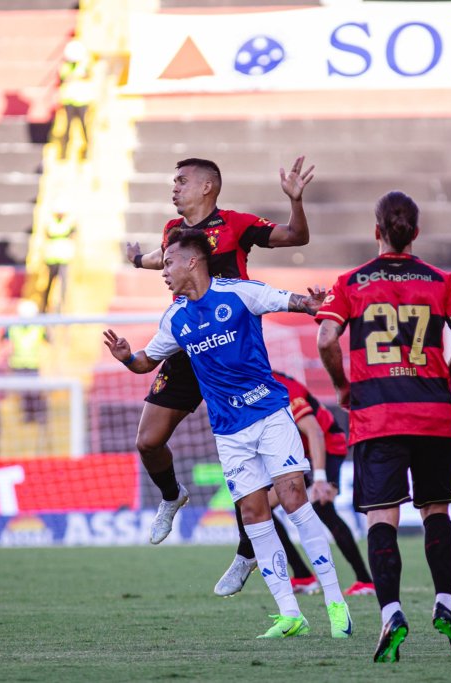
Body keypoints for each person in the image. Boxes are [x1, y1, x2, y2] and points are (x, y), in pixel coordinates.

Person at [103, 228, 351, 640]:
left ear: (192, 262)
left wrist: (313, 304)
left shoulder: (238, 293)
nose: (163, 272)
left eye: (168, 263)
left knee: (292, 496)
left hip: (269, 413)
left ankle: (334, 601)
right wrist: (127, 356)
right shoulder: (176, 318)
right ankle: (290, 614)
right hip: (229, 432)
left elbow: (290, 300)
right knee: (254, 513)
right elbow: (147, 361)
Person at [316, 190, 451, 663]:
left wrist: (343, 386)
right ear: (416, 233)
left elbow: (327, 338)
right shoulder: (441, 279)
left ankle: (391, 611)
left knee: (381, 518)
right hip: (434, 416)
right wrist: (445, 375)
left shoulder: (351, 281)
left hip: (377, 417)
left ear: (377, 232)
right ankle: (446, 602)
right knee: (436, 511)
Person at [124, 156, 313, 548]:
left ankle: (248, 551)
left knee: (250, 457)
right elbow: (167, 257)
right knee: (148, 440)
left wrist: (295, 200)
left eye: (181, 181)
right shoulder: (173, 229)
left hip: (232, 350)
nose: (174, 187)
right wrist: (139, 260)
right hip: (190, 342)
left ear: (207, 186)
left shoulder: (236, 224)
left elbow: (295, 236)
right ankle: (172, 496)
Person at [214, 370, 376, 599]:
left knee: (323, 506)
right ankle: (302, 575)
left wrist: (319, 478)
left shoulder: (282, 387)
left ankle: (365, 580)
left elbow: (315, 432)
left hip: (326, 447)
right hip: (293, 454)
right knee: (260, 507)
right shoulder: (248, 388)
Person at [4, 299, 48, 423]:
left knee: (33, 392)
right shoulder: (35, 327)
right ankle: (30, 415)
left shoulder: (36, 327)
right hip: (19, 364)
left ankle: (37, 415)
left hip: (31, 364)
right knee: (25, 392)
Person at [57, 39, 93, 161]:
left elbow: (88, 76)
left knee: (84, 127)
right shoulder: (65, 66)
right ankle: (64, 152)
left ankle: (87, 150)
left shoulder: (85, 65)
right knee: (67, 128)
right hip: (69, 101)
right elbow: (63, 77)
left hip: (82, 101)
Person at [41, 205, 76, 313]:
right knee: (50, 284)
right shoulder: (50, 224)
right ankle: (44, 307)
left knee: (64, 285)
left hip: (64, 258)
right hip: (52, 258)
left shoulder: (70, 224)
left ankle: (63, 308)